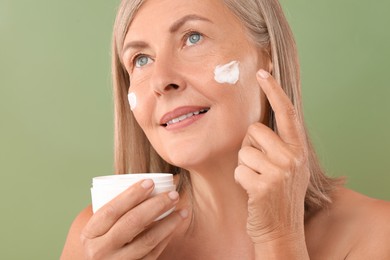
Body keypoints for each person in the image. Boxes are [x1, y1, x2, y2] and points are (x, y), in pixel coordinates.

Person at [61, 0, 390, 259]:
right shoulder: (98, 241)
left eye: (193, 38)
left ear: (267, 55)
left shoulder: (377, 234)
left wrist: (279, 240)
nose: (162, 81)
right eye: (142, 59)